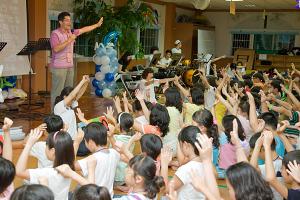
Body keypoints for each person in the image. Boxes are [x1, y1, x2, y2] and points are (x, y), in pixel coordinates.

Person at [50, 11, 103, 107]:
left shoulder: (71, 32)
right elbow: (56, 48)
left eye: (70, 20)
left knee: (69, 91)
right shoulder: (55, 34)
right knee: (57, 92)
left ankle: (66, 112)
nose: (69, 22)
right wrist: (69, 40)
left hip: (69, 66)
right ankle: (54, 115)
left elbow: (84, 29)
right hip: (59, 68)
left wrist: (97, 25)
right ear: (60, 22)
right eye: (66, 20)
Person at [16, 129, 75, 200]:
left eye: (46, 145)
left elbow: (19, 172)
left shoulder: (47, 173)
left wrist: (29, 144)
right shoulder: (69, 167)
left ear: (53, 151)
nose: (45, 148)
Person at [75, 122, 120, 197]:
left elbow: (71, 165)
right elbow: (118, 150)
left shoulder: (92, 159)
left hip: (94, 197)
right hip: (108, 196)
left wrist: (76, 143)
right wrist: (111, 137)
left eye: (85, 141)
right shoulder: (114, 153)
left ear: (91, 142)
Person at [54, 75, 89, 139]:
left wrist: (86, 82)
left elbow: (80, 93)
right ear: (65, 97)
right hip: (65, 139)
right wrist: (82, 81)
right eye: (72, 99)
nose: (74, 100)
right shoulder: (59, 106)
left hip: (73, 138)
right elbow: (72, 95)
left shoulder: (71, 105)